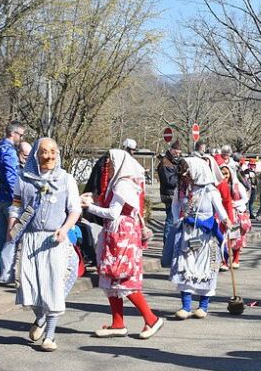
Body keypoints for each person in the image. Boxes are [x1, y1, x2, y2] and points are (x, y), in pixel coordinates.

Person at [81, 148, 164, 340]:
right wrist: (94, 201)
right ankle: (118, 323)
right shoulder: (119, 183)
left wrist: (89, 206)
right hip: (117, 234)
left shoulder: (123, 185)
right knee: (111, 278)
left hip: (122, 236)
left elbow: (113, 213)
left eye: (110, 163)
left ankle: (151, 319)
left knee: (121, 277)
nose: (107, 167)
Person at [11, 138, 81, 351]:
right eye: (44, 152)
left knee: (52, 287)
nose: (49, 155)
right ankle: (40, 316)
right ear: (36, 155)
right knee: (28, 286)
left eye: (53, 151)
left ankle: (49, 336)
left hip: (53, 240)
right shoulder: (24, 179)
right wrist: (11, 226)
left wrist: (65, 229)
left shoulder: (66, 179)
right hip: (30, 238)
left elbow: (75, 209)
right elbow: (15, 206)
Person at [169, 156, 230, 319]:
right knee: (185, 267)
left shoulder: (209, 190)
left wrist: (225, 220)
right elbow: (175, 204)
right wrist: (176, 219)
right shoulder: (182, 188)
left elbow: (219, 207)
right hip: (187, 232)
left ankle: (203, 306)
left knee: (206, 268)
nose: (185, 176)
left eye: (187, 172)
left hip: (206, 234)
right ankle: (186, 306)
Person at [0, 121, 25, 284]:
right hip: (9, 200)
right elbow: (11, 176)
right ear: (12, 133)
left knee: (0, 235)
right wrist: (18, 199)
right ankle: (6, 274)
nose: (21, 138)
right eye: (20, 134)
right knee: (12, 235)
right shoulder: (9, 151)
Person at [219, 157, 252, 269]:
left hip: (236, 215)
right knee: (223, 238)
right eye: (222, 173)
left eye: (226, 173)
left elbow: (245, 198)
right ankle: (224, 261)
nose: (224, 176)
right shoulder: (217, 185)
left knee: (236, 238)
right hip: (222, 214)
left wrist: (235, 203)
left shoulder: (237, 185)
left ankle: (236, 258)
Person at [157, 141, 182, 268]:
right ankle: (167, 248)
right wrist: (181, 176)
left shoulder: (173, 162)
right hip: (169, 195)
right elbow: (169, 181)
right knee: (170, 220)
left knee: (173, 220)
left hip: (174, 195)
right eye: (175, 151)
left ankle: (170, 247)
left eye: (179, 152)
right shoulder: (165, 163)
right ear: (171, 149)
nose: (177, 154)